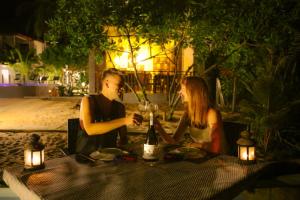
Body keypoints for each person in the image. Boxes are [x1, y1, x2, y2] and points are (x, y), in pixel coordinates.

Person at [154, 76, 228, 154]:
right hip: (201, 157)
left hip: (218, 159)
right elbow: (174, 141)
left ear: (193, 92)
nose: (179, 92)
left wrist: (195, 145)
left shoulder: (212, 114)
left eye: (182, 89)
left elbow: (216, 147)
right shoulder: (188, 114)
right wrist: (159, 128)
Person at [78, 68, 142, 155]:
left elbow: (123, 139)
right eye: (119, 85)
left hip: (110, 158)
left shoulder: (119, 107)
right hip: (87, 158)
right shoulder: (88, 101)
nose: (122, 89)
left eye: (123, 86)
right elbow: (90, 129)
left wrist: (133, 121)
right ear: (107, 84)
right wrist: (125, 120)